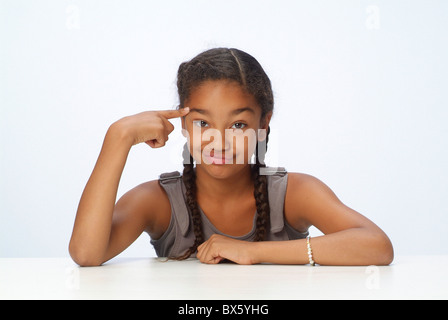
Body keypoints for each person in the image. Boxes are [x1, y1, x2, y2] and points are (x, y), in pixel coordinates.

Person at [69, 48, 394, 266]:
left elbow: (376, 245)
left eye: (238, 124)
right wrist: (118, 138)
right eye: (202, 123)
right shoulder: (158, 201)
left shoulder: (295, 193)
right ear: (184, 124)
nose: (219, 141)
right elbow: (86, 253)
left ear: (263, 123)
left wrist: (254, 252)